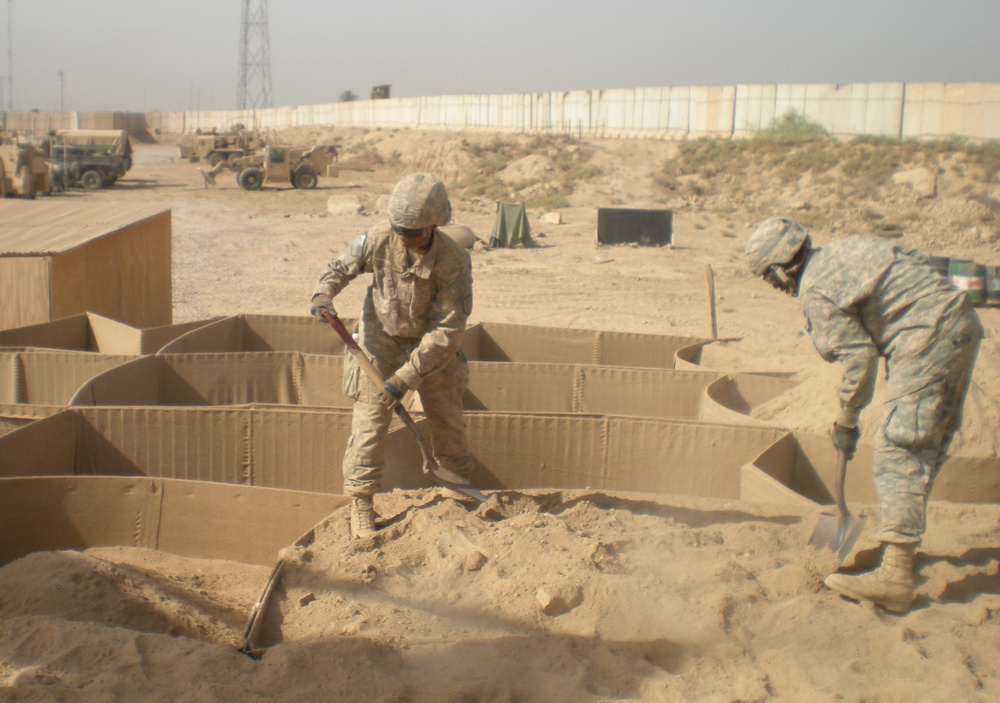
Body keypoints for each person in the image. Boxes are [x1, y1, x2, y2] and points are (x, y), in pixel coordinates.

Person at [744, 216, 982, 613]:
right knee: (923, 445)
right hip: (960, 323)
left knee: (899, 448)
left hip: (925, 337)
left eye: (769, 276)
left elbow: (860, 359)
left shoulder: (816, 291)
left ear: (782, 267)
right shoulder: (848, 248)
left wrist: (848, 419)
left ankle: (896, 576)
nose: (772, 285)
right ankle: (899, 551)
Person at [309, 173, 475, 539]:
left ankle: (457, 491)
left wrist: (405, 380)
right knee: (369, 425)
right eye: (398, 227)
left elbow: (447, 330)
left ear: (433, 226)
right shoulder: (379, 237)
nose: (403, 235)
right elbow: (340, 268)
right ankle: (362, 503)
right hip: (379, 343)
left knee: (448, 421)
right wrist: (324, 293)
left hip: (430, 349)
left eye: (412, 231)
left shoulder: (453, 260)